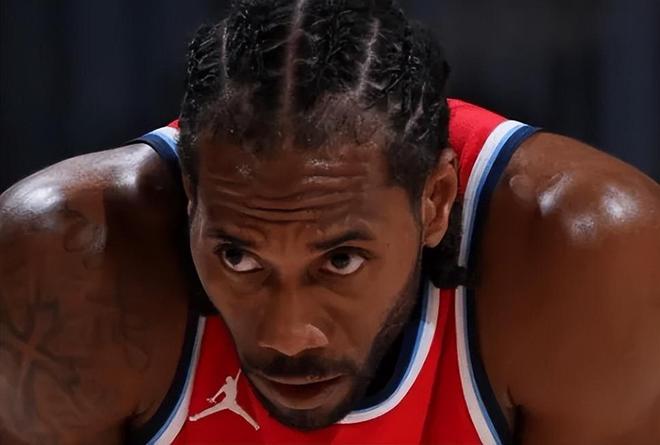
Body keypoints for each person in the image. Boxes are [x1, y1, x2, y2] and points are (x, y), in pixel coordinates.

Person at [1, 1, 659, 444]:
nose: (287, 335)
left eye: (340, 260)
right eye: (238, 257)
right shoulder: (62, 263)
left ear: (436, 201)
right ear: (191, 199)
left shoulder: (590, 257)